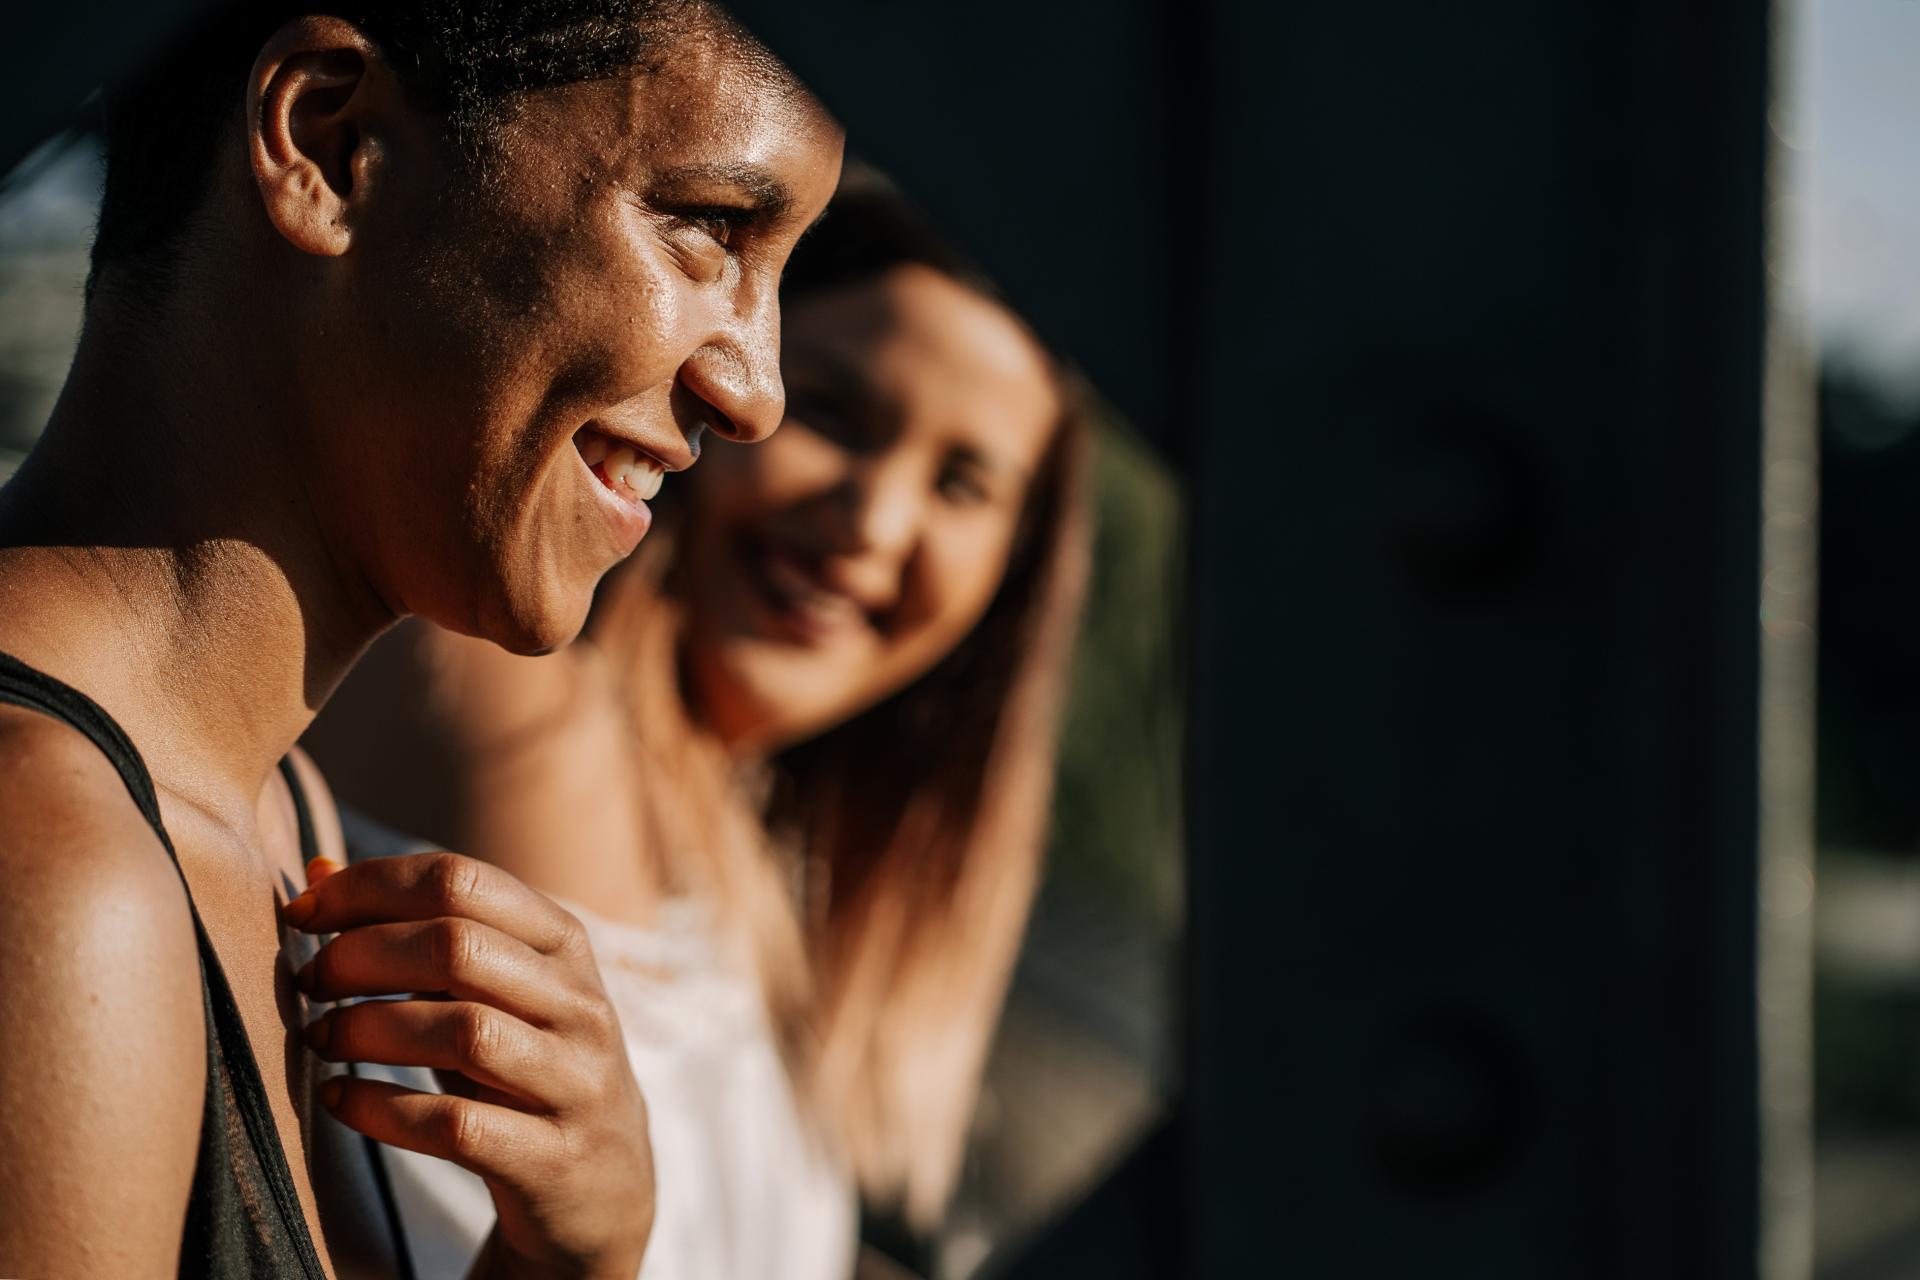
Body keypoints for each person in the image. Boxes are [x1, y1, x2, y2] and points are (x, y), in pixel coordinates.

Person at [0, 2, 842, 1276]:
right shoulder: (60, 881)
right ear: (332, 147)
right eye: (707, 227)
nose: (757, 389)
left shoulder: (286, 825)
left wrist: (566, 1259)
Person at [306, 172, 1093, 1278]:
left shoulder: (753, 845)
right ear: (720, 387)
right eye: (834, 413)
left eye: (961, 484)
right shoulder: (530, 719)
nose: (872, 521)